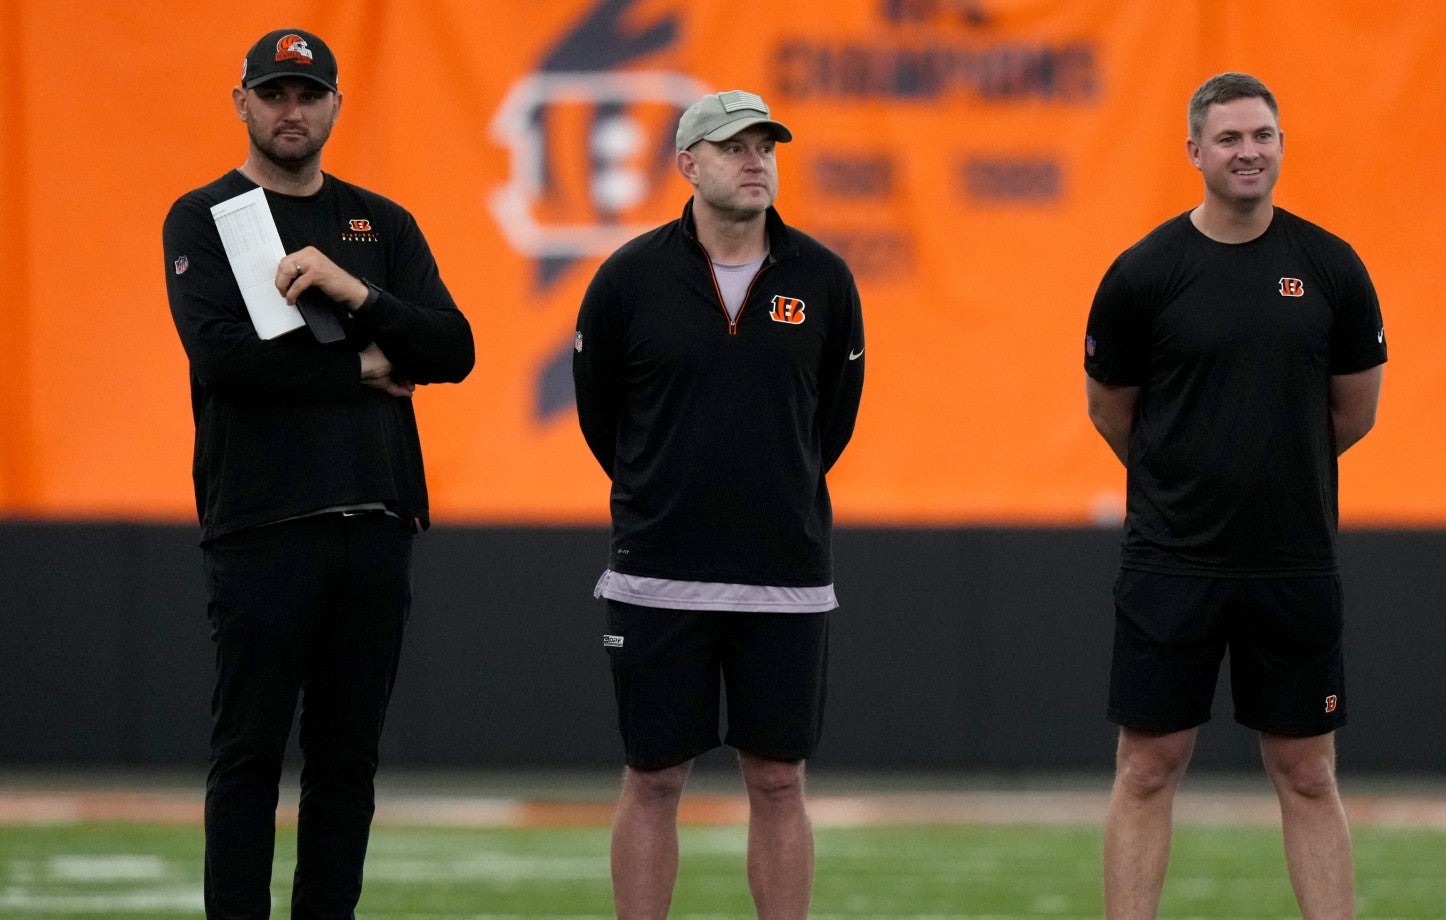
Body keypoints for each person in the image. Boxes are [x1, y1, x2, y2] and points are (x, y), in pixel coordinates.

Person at [162, 28, 473, 919]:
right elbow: (226, 363)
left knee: (347, 760)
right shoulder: (206, 216)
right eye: (273, 93)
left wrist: (357, 290)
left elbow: (454, 347)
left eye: (307, 93)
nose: (290, 110)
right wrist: (366, 369)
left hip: (375, 520)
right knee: (249, 752)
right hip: (263, 523)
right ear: (242, 103)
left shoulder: (380, 222)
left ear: (336, 104)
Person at [1084, 72, 1386, 919]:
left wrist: (1272, 467)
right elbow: (1112, 411)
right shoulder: (1145, 273)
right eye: (1229, 138)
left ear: (1281, 145)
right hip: (1171, 562)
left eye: (1262, 136)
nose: (1248, 152)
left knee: (1309, 772)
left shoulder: (1329, 267)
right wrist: (1190, 474)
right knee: (1148, 766)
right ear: (1194, 152)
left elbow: (1354, 410)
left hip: (1292, 562)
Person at [572, 89, 864, 920]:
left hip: (784, 570)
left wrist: (779, 481)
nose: (755, 161)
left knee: (778, 778)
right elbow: (604, 417)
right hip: (660, 569)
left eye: (765, 147)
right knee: (654, 774)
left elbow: (831, 417)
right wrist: (660, 484)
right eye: (733, 146)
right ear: (687, 164)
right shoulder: (628, 277)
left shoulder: (823, 277)